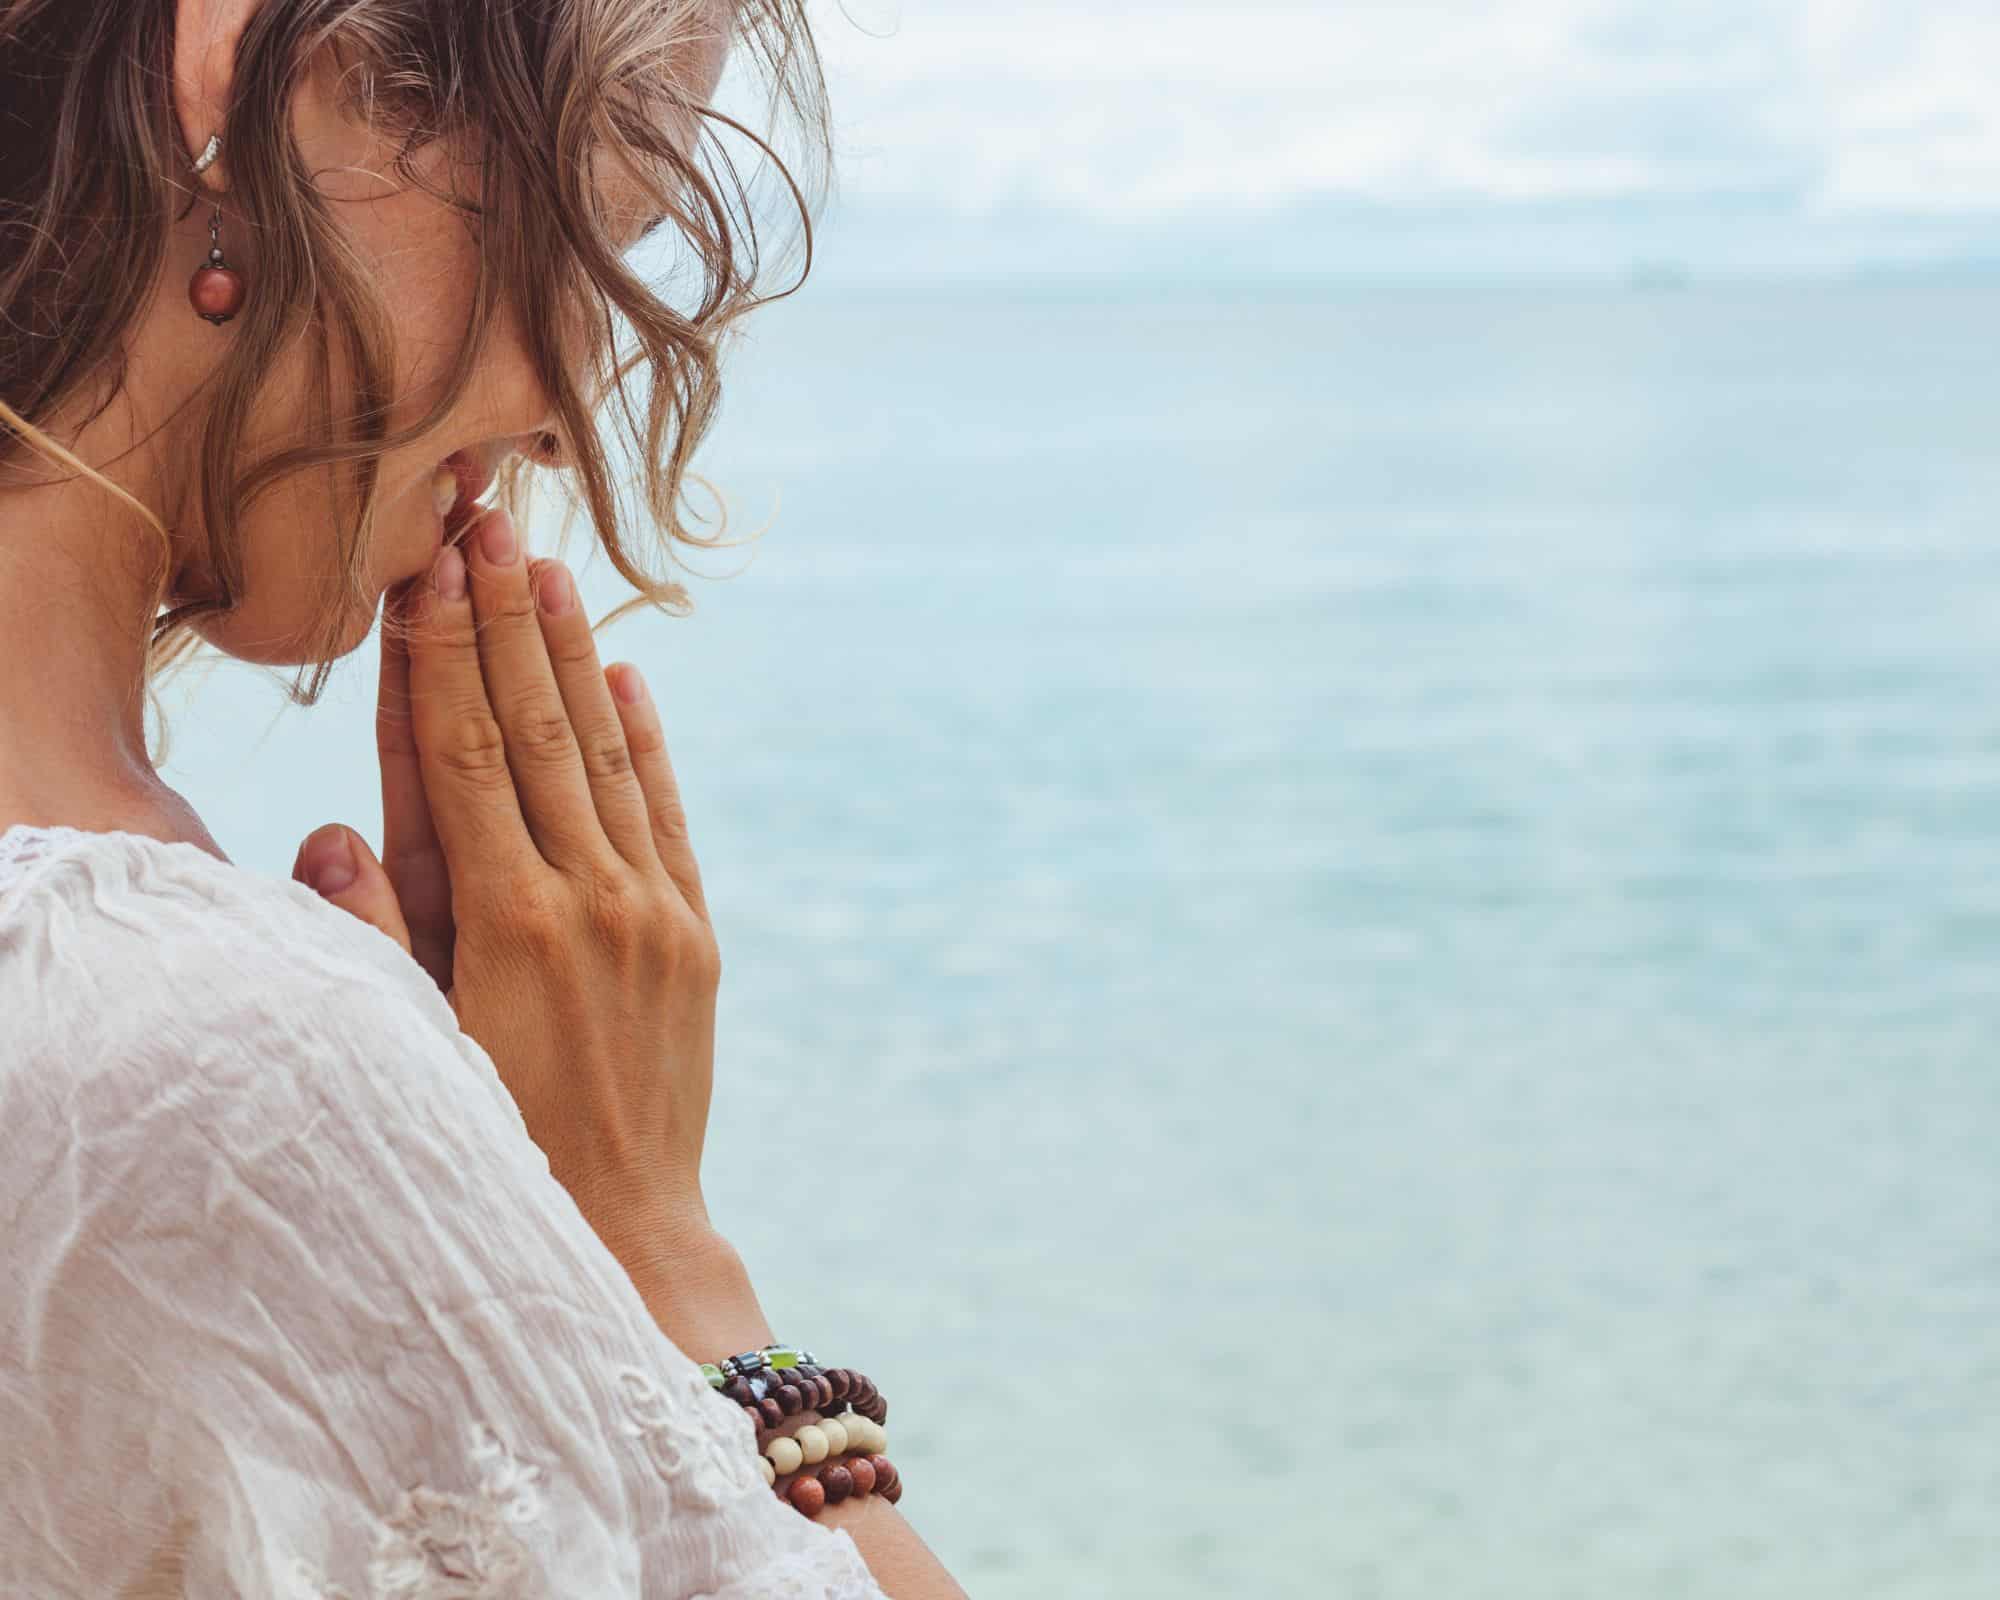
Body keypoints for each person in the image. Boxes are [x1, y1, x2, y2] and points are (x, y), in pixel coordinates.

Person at [0, 0, 967, 1593]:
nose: (563, 410)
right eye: (598, 235)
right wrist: (650, 1242)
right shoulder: (221, 1060)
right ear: (276, 86)